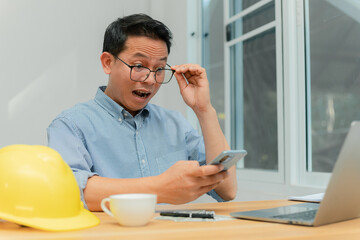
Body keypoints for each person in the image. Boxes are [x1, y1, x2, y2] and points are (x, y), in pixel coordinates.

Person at [47, 13, 237, 211]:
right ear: (107, 63)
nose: (150, 80)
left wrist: (204, 109)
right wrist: (160, 188)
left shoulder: (175, 124)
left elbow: (227, 189)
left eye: (160, 69)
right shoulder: (71, 124)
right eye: (138, 66)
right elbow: (67, 191)